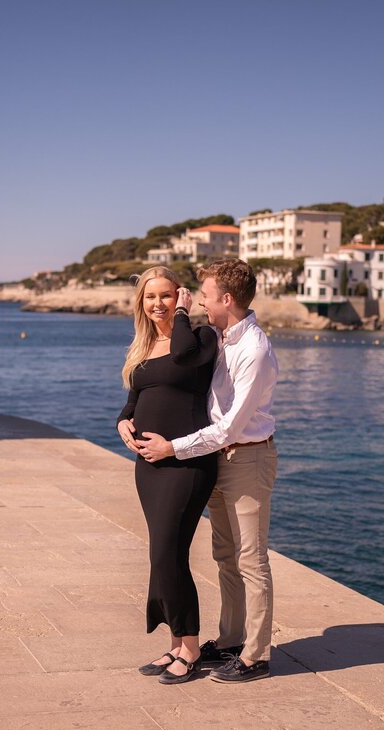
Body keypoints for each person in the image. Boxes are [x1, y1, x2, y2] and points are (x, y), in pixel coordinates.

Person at [138, 258, 279, 684]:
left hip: (247, 456)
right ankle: (232, 639)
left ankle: (256, 656)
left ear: (227, 299)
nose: (199, 300)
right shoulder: (220, 338)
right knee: (224, 556)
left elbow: (230, 426)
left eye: (206, 294)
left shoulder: (253, 349)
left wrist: (173, 448)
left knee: (251, 560)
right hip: (218, 458)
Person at [116, 266, 219, 685]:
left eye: (165, 295)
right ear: (140, 303)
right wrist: (123, 422)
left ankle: (191, 649)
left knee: (167, 554)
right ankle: (177, 643)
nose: (156, 303)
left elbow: (181, 357)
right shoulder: (143, 346)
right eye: (149, 297)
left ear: (180, 296)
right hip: (149, 467)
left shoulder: (200, 338)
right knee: (163, 555)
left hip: (186, 464)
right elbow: (135, 398)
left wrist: (181, 315)